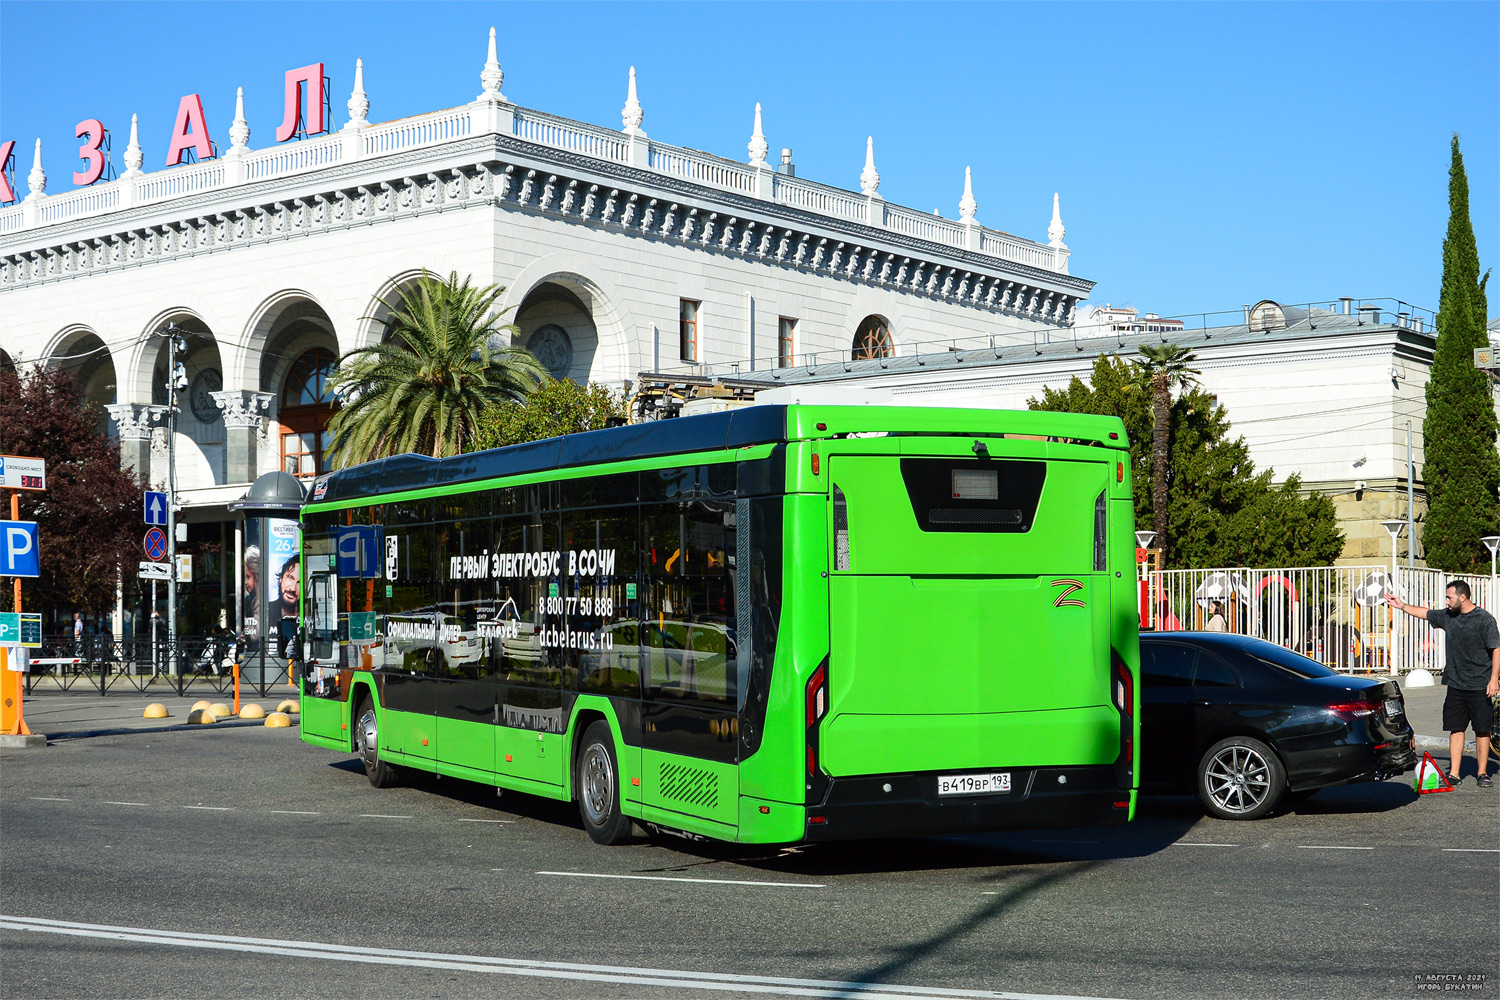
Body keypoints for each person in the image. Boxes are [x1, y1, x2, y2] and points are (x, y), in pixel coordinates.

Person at [1387, 581, 1500, 788]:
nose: (1447, 601)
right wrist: (1401, 605)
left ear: (1462, 597)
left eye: (1450, 597)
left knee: (1482, 730)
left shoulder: (1484, 620)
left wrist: (1494, 679)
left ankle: (1482, 773)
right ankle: (1454, 774)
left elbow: (1496, 649)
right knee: (1456, 729)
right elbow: (1426, 613)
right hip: (1455, 684)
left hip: (1480, 685)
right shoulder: (1449, 617)